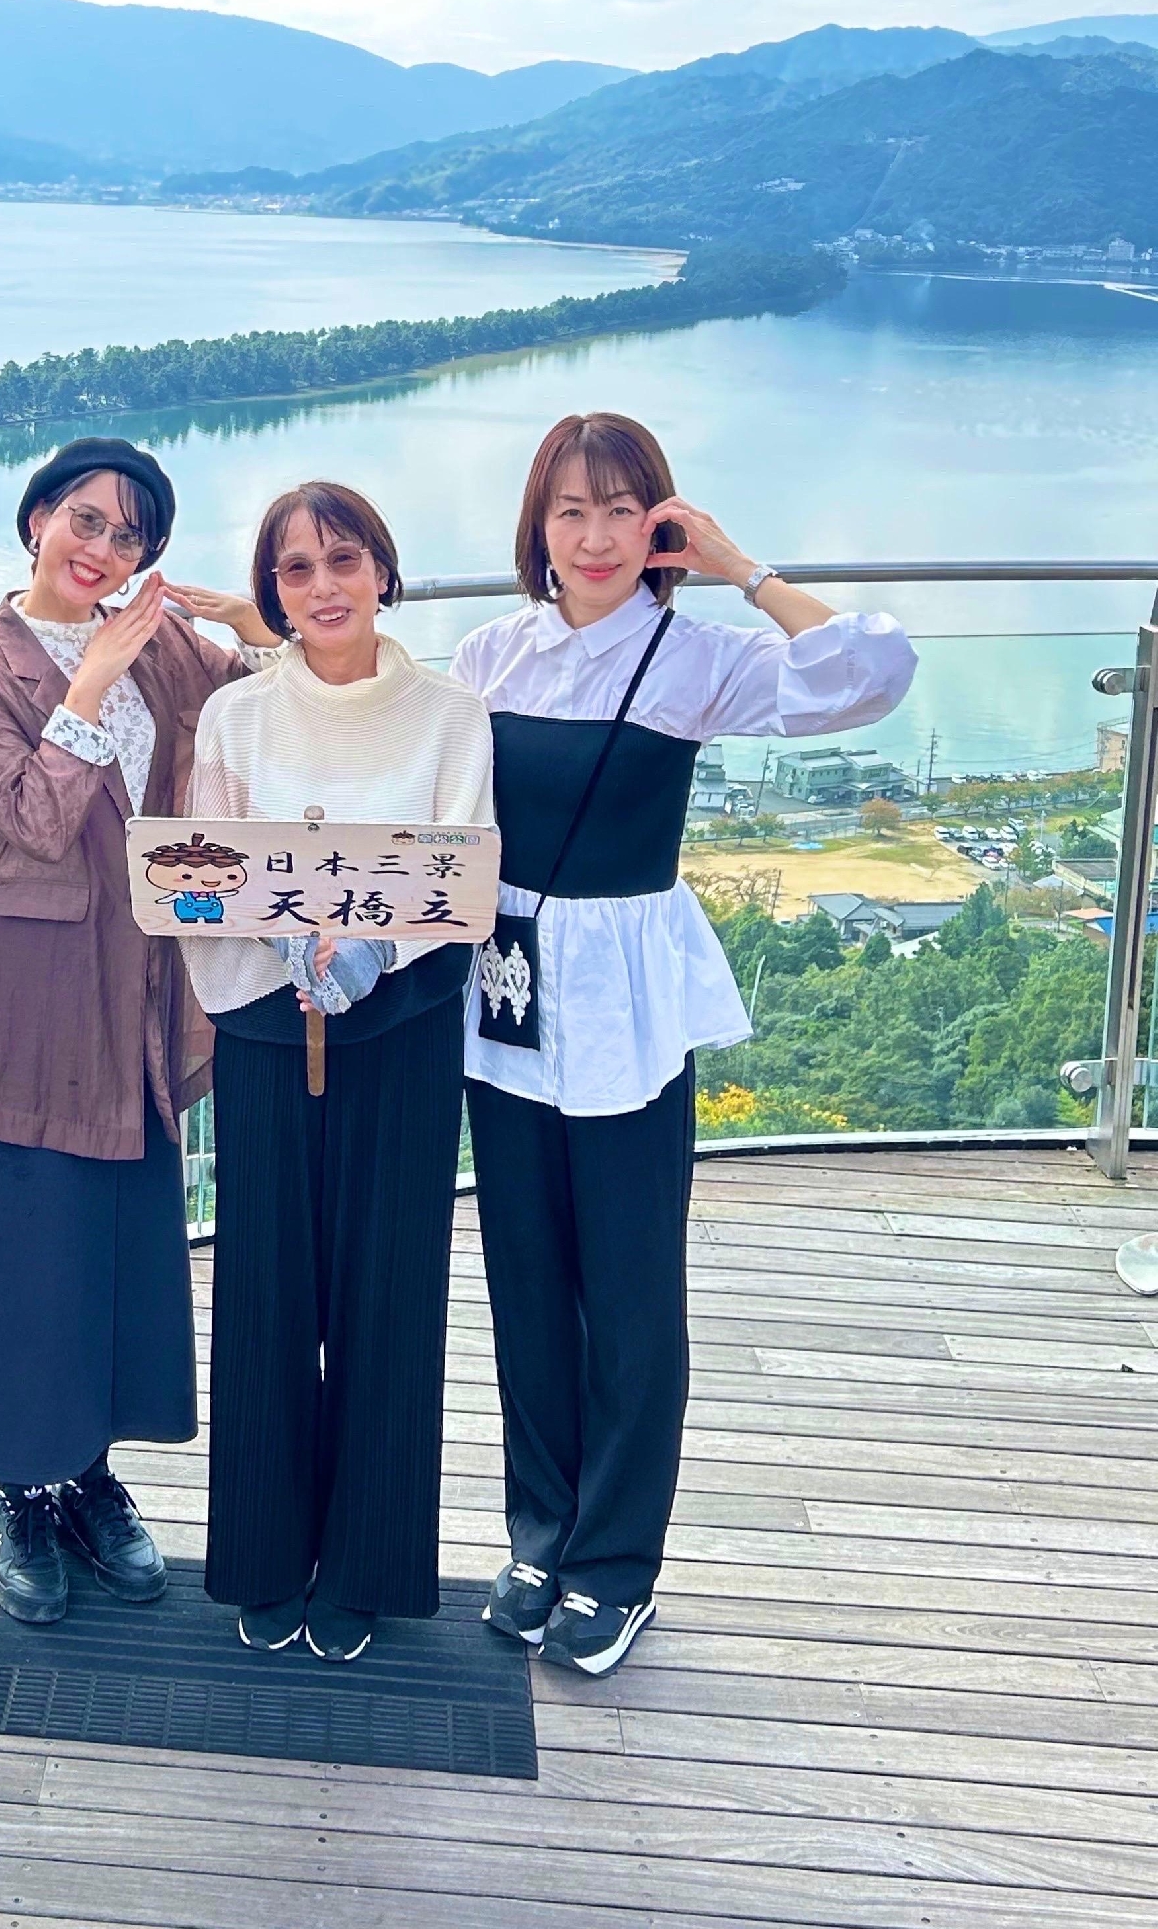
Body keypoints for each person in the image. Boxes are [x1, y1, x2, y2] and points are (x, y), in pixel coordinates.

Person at [452, 411, 916, 1678]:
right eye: (569, 509)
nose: (593, 535)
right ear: (536, 525)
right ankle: (540, 1536)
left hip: (624, 1004)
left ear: (657, 523)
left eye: (621, 508)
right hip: (504, 997)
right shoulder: (489, 652)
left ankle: (614, 1566)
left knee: (628, 1290)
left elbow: (871, 671)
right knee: (525, 1282)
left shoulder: (691, 655)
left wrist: (737, 566)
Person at [0, 439, 278, 1623]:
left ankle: (86, 1477)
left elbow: (270, 701)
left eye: (128, 536)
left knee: (123, 1240)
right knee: (30, 1237)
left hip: (144, 985)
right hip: (34, 989)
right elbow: (28, 816)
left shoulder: (164, 642)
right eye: (84, 519)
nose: (101, 549)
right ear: (36, 517)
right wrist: (87, 682)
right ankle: (19, 1493)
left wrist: (249, 620)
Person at [184, 481, 495, 1664]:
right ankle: (265, 1556)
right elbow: (203, 867)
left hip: (402, 1027)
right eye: (295, 567)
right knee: (263, 1290)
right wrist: (282, 933)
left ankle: (365, 1561)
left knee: (388, 1292)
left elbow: (462, 867)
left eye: (343, 558)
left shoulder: (449, 713)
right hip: (267, 1028)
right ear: (270, 590)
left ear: (382, 570)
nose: (322, 586)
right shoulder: (235, 716)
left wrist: (370, 947)